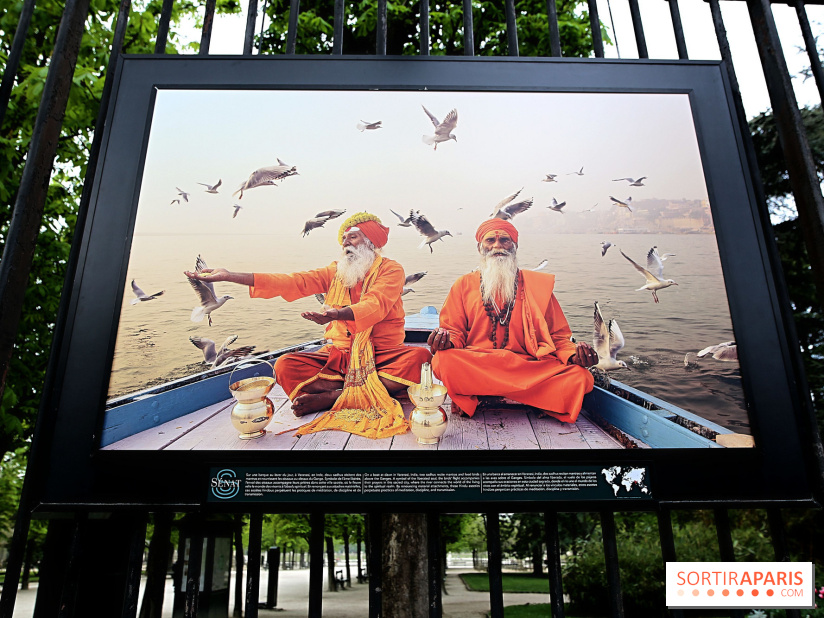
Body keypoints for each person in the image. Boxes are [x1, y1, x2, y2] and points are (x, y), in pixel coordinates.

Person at [185, 212, 431, 439]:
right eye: (343, 238)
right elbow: (292, 282)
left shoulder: (391, 269)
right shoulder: (336, 272)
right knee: (284, 365)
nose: (345, 243)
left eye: (352, 237)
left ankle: (335, 397)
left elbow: (375, 304)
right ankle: (360, 391)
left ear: (370, 241)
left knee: (420, 359)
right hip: (339, 356)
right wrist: (229, 276)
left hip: (381, 354)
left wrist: (338, 314)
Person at [427, 218, 598, 422]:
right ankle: (531, 397)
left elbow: (558, 336)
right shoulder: (463, 285)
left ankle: (487, 393)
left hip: (527, 366)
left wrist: (574, 356)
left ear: (515, 246)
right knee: (443, 361)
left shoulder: (536, 286)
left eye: (505, 240)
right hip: (479, 362)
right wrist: (445, 341)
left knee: (581, 378)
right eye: (490, 240)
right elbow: (453, 330)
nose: (497, 246)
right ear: (480, 247)